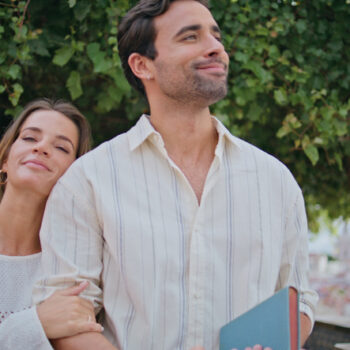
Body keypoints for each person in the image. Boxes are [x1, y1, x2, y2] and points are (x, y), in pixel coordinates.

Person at [33, 1, 318, 349]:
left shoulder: (276, 182)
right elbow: (68, 319)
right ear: (142, 65)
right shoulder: (87, 182)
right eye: (190, 37)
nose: (216, 48)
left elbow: (299, 301)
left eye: (216, 36)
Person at [0, 99, 104, 349]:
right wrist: (35, 324)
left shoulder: (72, 267)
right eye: (29, 138)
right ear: (4, 159)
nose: (42, 148)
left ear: (74, 175)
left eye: (61, 147)